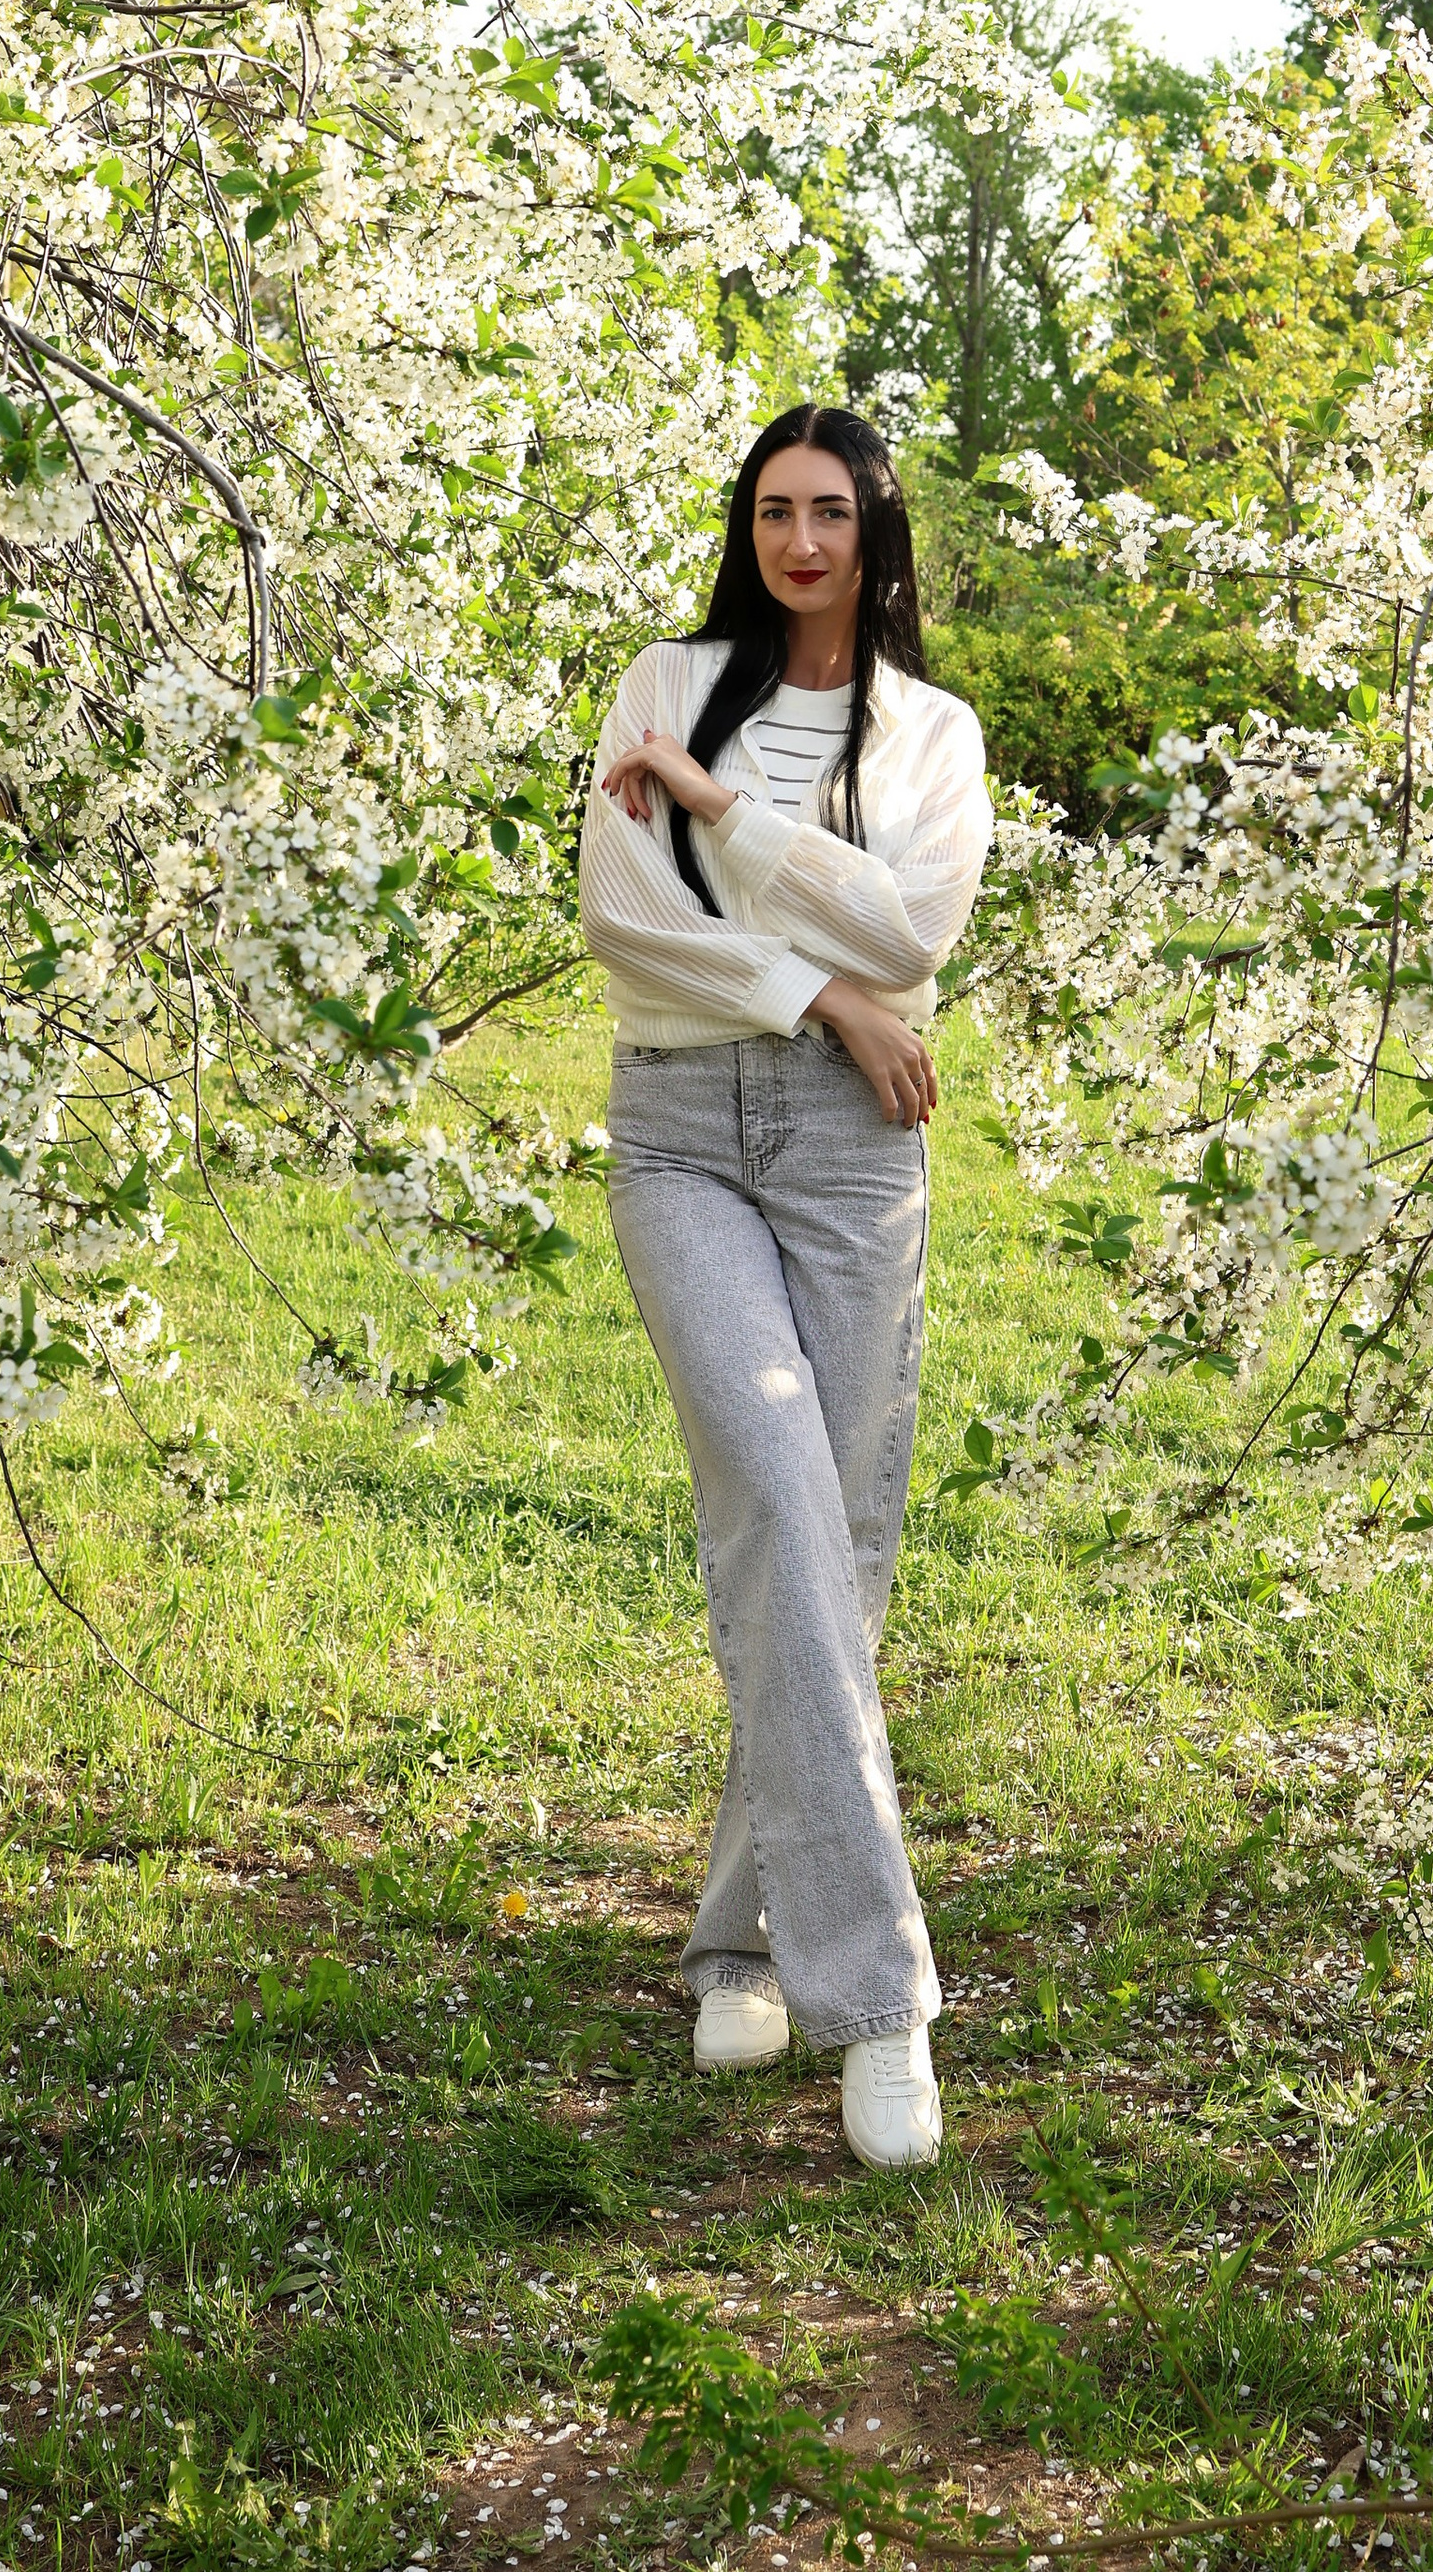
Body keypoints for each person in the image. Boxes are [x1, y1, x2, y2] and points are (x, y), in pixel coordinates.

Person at [577, 402, 993, 2172]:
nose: (798, 541)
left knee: (845, 1535)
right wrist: (817, 994)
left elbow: (912, 930)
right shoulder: (661, 680)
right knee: (770, 1484)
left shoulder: (931, 731)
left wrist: (721, 812)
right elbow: (626, 925)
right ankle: (882, 2003)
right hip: (680, 1129)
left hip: (850, 1154)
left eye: (829, 513)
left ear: (875, 531)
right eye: (771, 510)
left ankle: (739, 1933)